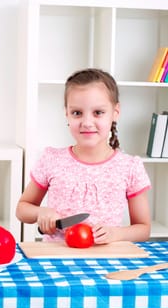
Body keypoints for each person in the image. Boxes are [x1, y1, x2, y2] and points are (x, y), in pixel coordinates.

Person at [16, 68, 151, 244]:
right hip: (56, 258)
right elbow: (22, 209)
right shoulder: (51, 160)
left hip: (105, 258)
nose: (87, 123)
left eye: (98, 112)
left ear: (115, 112)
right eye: (77, 113)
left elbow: (143, 229)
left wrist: (118, 234)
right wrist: (41, 213)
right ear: (67, 113)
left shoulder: (130, 167)